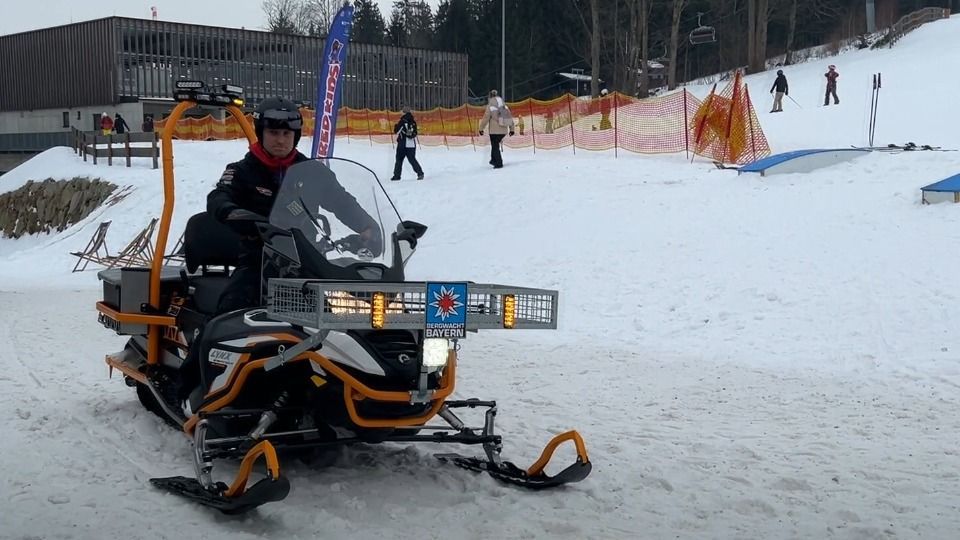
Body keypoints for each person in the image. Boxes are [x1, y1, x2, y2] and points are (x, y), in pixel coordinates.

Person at [478, 90, 515, 169]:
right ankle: (493, 160)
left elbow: (486, 118)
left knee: (495, 146)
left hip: (494, 131)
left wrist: (481, 128)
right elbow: (509, 117)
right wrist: (512, 129)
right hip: (503, 130)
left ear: (490, 96)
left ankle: (498, 163)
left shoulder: (490, 105)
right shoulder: (503, 105)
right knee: (495, 145)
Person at [391, 105, 424, 181]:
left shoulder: (402, 121)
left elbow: (397, 131)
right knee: (412, 159)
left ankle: (397, 176)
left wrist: (396, 126)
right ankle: (420, 173)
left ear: (404, 112)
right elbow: (415, 132)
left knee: (399, 160)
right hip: (411, 144)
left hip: (402, 144)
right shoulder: (413, 121)